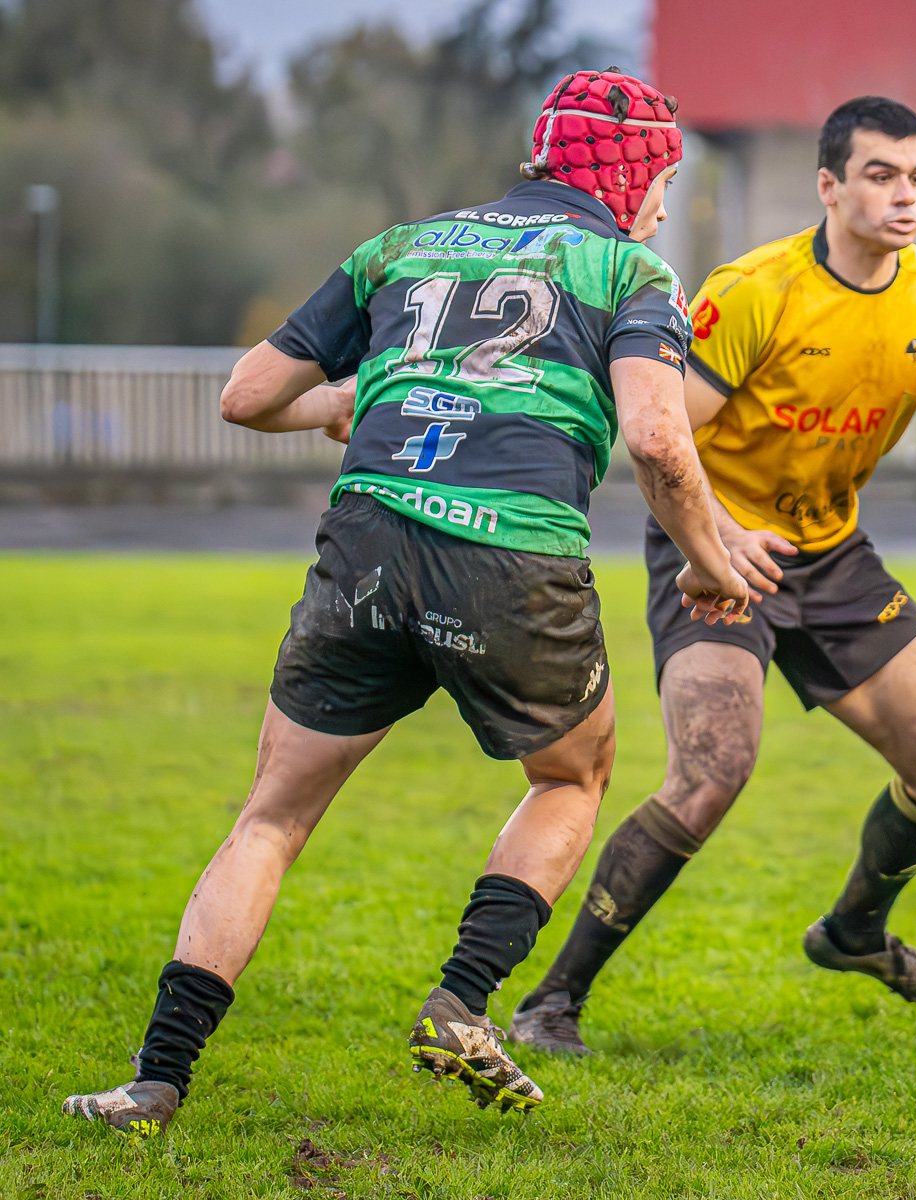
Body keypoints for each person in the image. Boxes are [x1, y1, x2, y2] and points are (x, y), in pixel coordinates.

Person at [59, 69, 752, 1137]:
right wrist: (709, 560)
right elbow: (660, 437)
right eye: (661, 180)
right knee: (575, 774)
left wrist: (358, 398)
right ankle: (461, 1004)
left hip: (370, 533)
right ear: (637, 174)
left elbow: (249, 396)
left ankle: (155, 1078)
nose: (662, 203)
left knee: (272, 816)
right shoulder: (630, 267)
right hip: (511, 552)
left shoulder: (403, 245)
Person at [510, 95, 916, 1054]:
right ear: (828, 186)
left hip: (833, 554)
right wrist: (715, 540)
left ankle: (855, 930)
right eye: (880, 176)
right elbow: (659, 439)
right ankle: (552, 1001)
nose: (906, 197)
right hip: (716, 552)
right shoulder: (756, 290)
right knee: (712, 772)